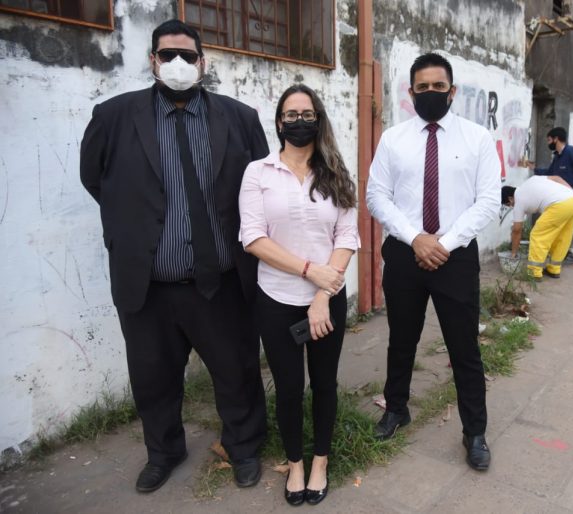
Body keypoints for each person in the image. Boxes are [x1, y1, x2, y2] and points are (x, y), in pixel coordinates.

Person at [80, 20, 269, 493]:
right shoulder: (113, 117)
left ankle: (244, 446)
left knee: (237, 371)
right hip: (148, 285)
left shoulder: (239, 118)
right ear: (153, 60)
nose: (178, 64)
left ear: (203, 62)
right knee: (153, 378)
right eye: (168, 55)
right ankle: (164, 452)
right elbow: (94, 179)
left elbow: (261, 186)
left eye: (188, 55)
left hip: (221, 283)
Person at [366, 52, 499, 471]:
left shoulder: (477, 139)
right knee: (401, 338)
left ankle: (474, 431)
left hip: (455, 257)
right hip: (405, 253)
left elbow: (488, 201)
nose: (430, 93)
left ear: (452, 91)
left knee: (464, 347)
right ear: (411, 92)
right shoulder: (393, 140)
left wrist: (446, 243)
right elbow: (376, 196)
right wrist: (417, 239)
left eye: (438, 87)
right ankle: (396, 409)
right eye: (422, 87)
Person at [239, 84, 359, 506]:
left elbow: (347, 236)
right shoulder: (258, 172)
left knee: (324, 383)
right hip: (276, 299)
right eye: (291, 115)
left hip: (328, 298)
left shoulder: (335, 172)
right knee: (289, 387)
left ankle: (320, 461)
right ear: (279, 123)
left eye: (307, 114)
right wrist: (310, 270)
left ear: (318, 120)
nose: (299, 121)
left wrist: (323, 293)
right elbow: (253, 238)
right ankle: (295, 464)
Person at [528, 127, 573, 265]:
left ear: (556, 139)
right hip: (565, 199)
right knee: (566, 227)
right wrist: (534, 169)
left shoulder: (572, 152)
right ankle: (567, 252)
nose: (548, 143)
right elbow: (550, 173)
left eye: (549, 140)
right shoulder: (557, 157)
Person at [509, 176, 573, 280]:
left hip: (559, 205)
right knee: (562, 236)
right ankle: (554, 269)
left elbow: (517, 230)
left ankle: (534, 272)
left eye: (509, 204)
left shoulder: (519, 200)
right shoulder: (532, 180)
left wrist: (513, 253)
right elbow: (557, 178)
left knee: (538, 235)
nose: (511, 206)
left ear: (510, 198)